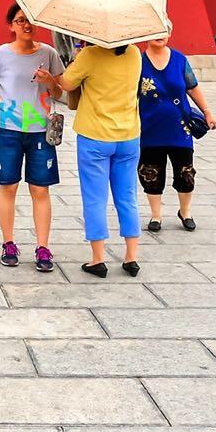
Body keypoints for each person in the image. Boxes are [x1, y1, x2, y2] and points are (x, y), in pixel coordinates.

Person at [0, 3, 63, 273]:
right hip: (8, 131)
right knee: (8, 186)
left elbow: (60, 93)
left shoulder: (49, 54)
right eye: (20, 21)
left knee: (40, 189)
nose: (26, 25)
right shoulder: (0, 55)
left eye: (30, 20)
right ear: (11, 25)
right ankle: (8, 243)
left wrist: (48, 81)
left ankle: (43, 247)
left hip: (41, 132)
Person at [60, 38, 143, 278]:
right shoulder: (135, 53)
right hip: (128, 135)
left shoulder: (90, 55)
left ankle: (98, 259)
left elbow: (66, 83)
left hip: (95, 135)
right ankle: (131, 257)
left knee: (95, 198)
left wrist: (77, 59)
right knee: (128, 196)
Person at [139, 31, 216, 233]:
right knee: (151, 172)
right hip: (150, 127)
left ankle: (185, 211)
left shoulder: (179, 59)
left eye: (164, 31)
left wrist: (207, 112)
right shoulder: (138, 61)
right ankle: (156, 215)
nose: (160, 35)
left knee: (185, 172)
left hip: (179, 128)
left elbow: (192, 88)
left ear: (170, 34)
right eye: (156, 31)